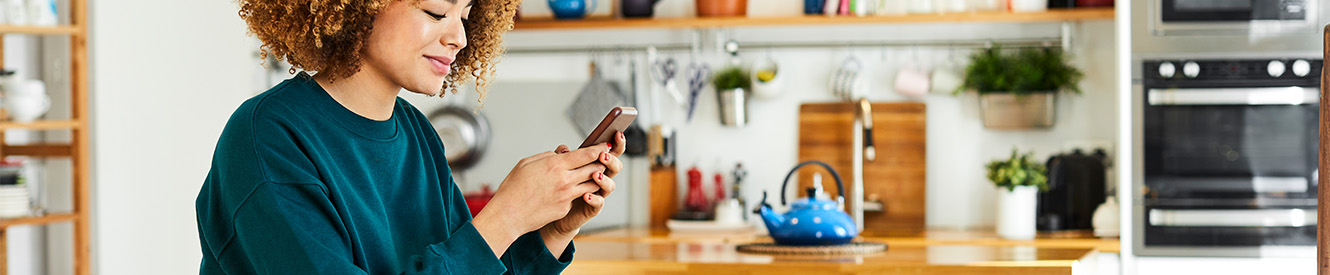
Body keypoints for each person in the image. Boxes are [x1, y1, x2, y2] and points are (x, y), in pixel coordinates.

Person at [194, 0, 621, 273]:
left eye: (466, 16)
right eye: (437, 12)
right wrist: (504, 216)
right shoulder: (268, 139)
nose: (459, 37)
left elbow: (468, 268)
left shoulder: (419, 135)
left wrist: (552, 230)